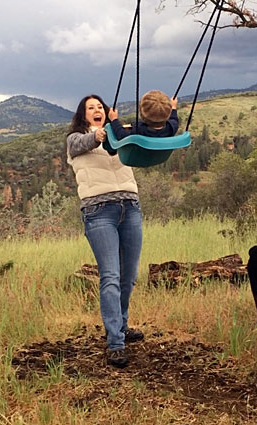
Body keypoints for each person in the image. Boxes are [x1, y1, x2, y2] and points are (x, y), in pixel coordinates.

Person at [66, 94, 144, 368]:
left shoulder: (117, 137)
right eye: (91, 108)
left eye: (100, 107)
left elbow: (142, 142)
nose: (97, 110)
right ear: (83, 115)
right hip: (99, 211)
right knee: (110, 275)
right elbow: (88, 141)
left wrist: (168, 115)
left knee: (129, 275)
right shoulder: (76, 140)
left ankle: (120, 325)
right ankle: (115, 343)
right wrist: (100, 133)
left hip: (130, 207)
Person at [107, 90, 179, 140]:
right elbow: (174, 118)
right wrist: (173, 107)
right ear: (168, 114)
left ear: (141, 113)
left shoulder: (139, 131)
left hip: (136, 158)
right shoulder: (172, 127)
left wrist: (114, 120)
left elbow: (121, 135)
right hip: (161, 157)